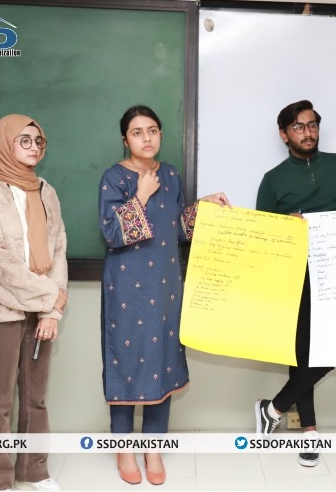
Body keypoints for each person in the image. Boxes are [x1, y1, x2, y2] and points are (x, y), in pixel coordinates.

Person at [99, 104, 230, 486]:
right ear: (125, 138)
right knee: (125, 363)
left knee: (163, 361)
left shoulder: (170, 174)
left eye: (153, 130)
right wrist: (139, 194)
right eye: (137, 132)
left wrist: (200, 208)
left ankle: (153, 447)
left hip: (167, 286)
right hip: (126, 287)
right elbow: (111, 233)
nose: (147, 138)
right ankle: (123, 447)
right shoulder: (114, 177)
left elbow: (176, 231)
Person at [254, 99, 336, 467]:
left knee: (335, 349)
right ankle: (309, 430)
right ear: (284, 134)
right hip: (295, 277)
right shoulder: (272, 180)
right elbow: (263, 237)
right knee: (302, 353)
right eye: (299, 127)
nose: (308, 132)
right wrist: (287, 224)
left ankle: (273, 408)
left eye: (312, 124)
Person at [0, 114, 68, 491]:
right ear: (4, 142)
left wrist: (51, 310)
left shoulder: (47, 191)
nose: (33, 148)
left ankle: (34, 471)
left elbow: (58, 248)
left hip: (41, 309)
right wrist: (49, 296)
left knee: (35, 398)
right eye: (23, 141)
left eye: (38, 141)